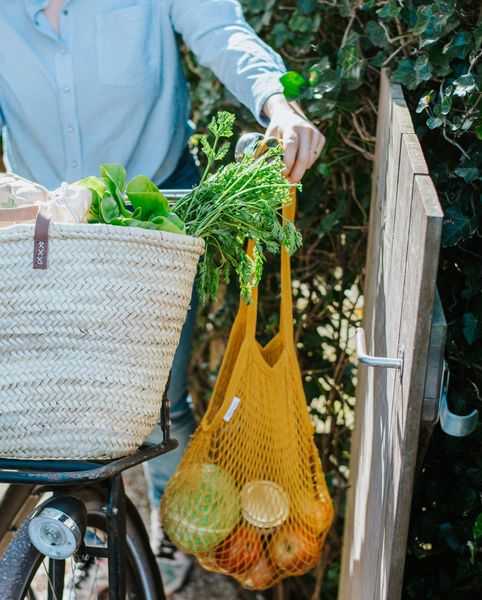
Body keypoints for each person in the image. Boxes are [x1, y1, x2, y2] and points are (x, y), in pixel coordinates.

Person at [0, 0, 325, 594]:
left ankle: (172, 535)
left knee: (159, 405)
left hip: (153, 236)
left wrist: (280, 106)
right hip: (44, 244)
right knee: (46, 411)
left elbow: (224, 32)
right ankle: (76, 534)